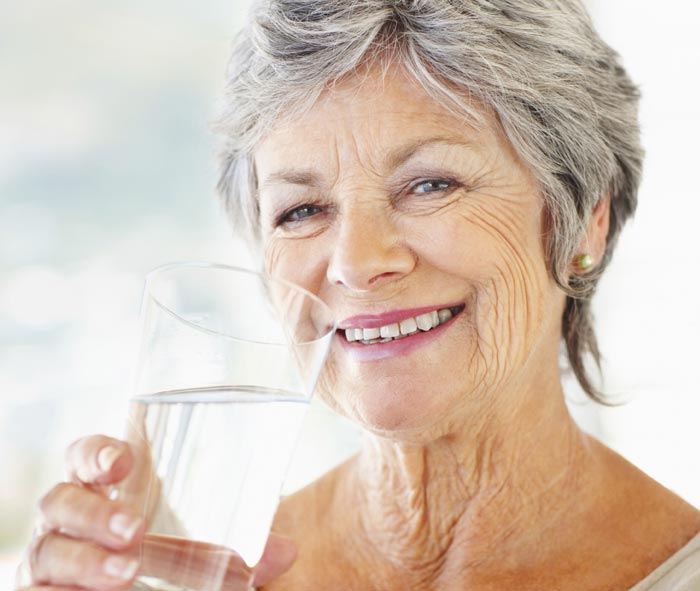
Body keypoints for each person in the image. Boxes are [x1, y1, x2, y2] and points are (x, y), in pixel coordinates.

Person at [16, 0, 700, 589]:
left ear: (585, 217)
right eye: (302, 209)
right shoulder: (200, 571)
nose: (356, 263)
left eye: (430, 183)